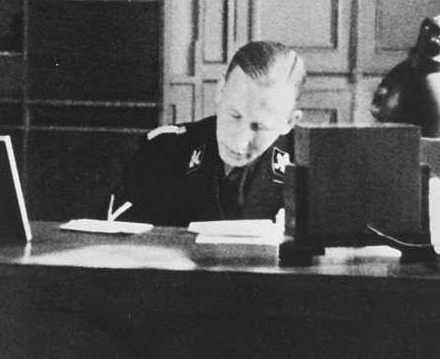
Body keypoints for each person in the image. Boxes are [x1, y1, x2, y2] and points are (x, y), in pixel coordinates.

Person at [118, 41, 306, 227]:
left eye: (259, 127)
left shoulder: (307, 169)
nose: (240, 142)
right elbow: (112, 242)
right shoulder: (164, 154)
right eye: (235, 116)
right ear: (220, 91)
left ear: (289, 122)